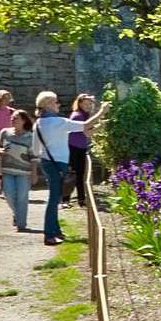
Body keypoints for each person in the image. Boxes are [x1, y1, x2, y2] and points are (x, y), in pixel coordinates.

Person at [31, 91, 106, 246]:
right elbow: (85, 126)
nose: (59, 104)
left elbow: (35, 149)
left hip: (47, 162)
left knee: (56, 197)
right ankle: (49, 234)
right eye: (56, 102)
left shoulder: (38, 124)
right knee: (53, 199)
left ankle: (56, 231)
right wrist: (102, 111)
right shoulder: (58, 122)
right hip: (58, 163)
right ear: (48, 105)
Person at [0, 109, 37, 232]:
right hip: (7, 170)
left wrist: (34, 174)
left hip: (24, 172)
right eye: (12, 117)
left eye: (16, 118)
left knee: (22, 197)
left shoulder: (30, 137)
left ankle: (21, 224)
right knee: (9, 195)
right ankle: (17, 214)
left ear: (24, 120)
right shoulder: (5, 132)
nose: (13, 119)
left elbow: (34, 158)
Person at [64, 93, 95, 208]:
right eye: (86, 104)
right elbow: (87, 133)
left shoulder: (85, 115)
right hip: (73, 148)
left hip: (80, 147)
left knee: (80, 174)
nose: (88, 106)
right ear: (80, 103)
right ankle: (66, 199)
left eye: (90, 104)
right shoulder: (78, 116)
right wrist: (100, 126)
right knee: (72, 174)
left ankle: (81, 199)